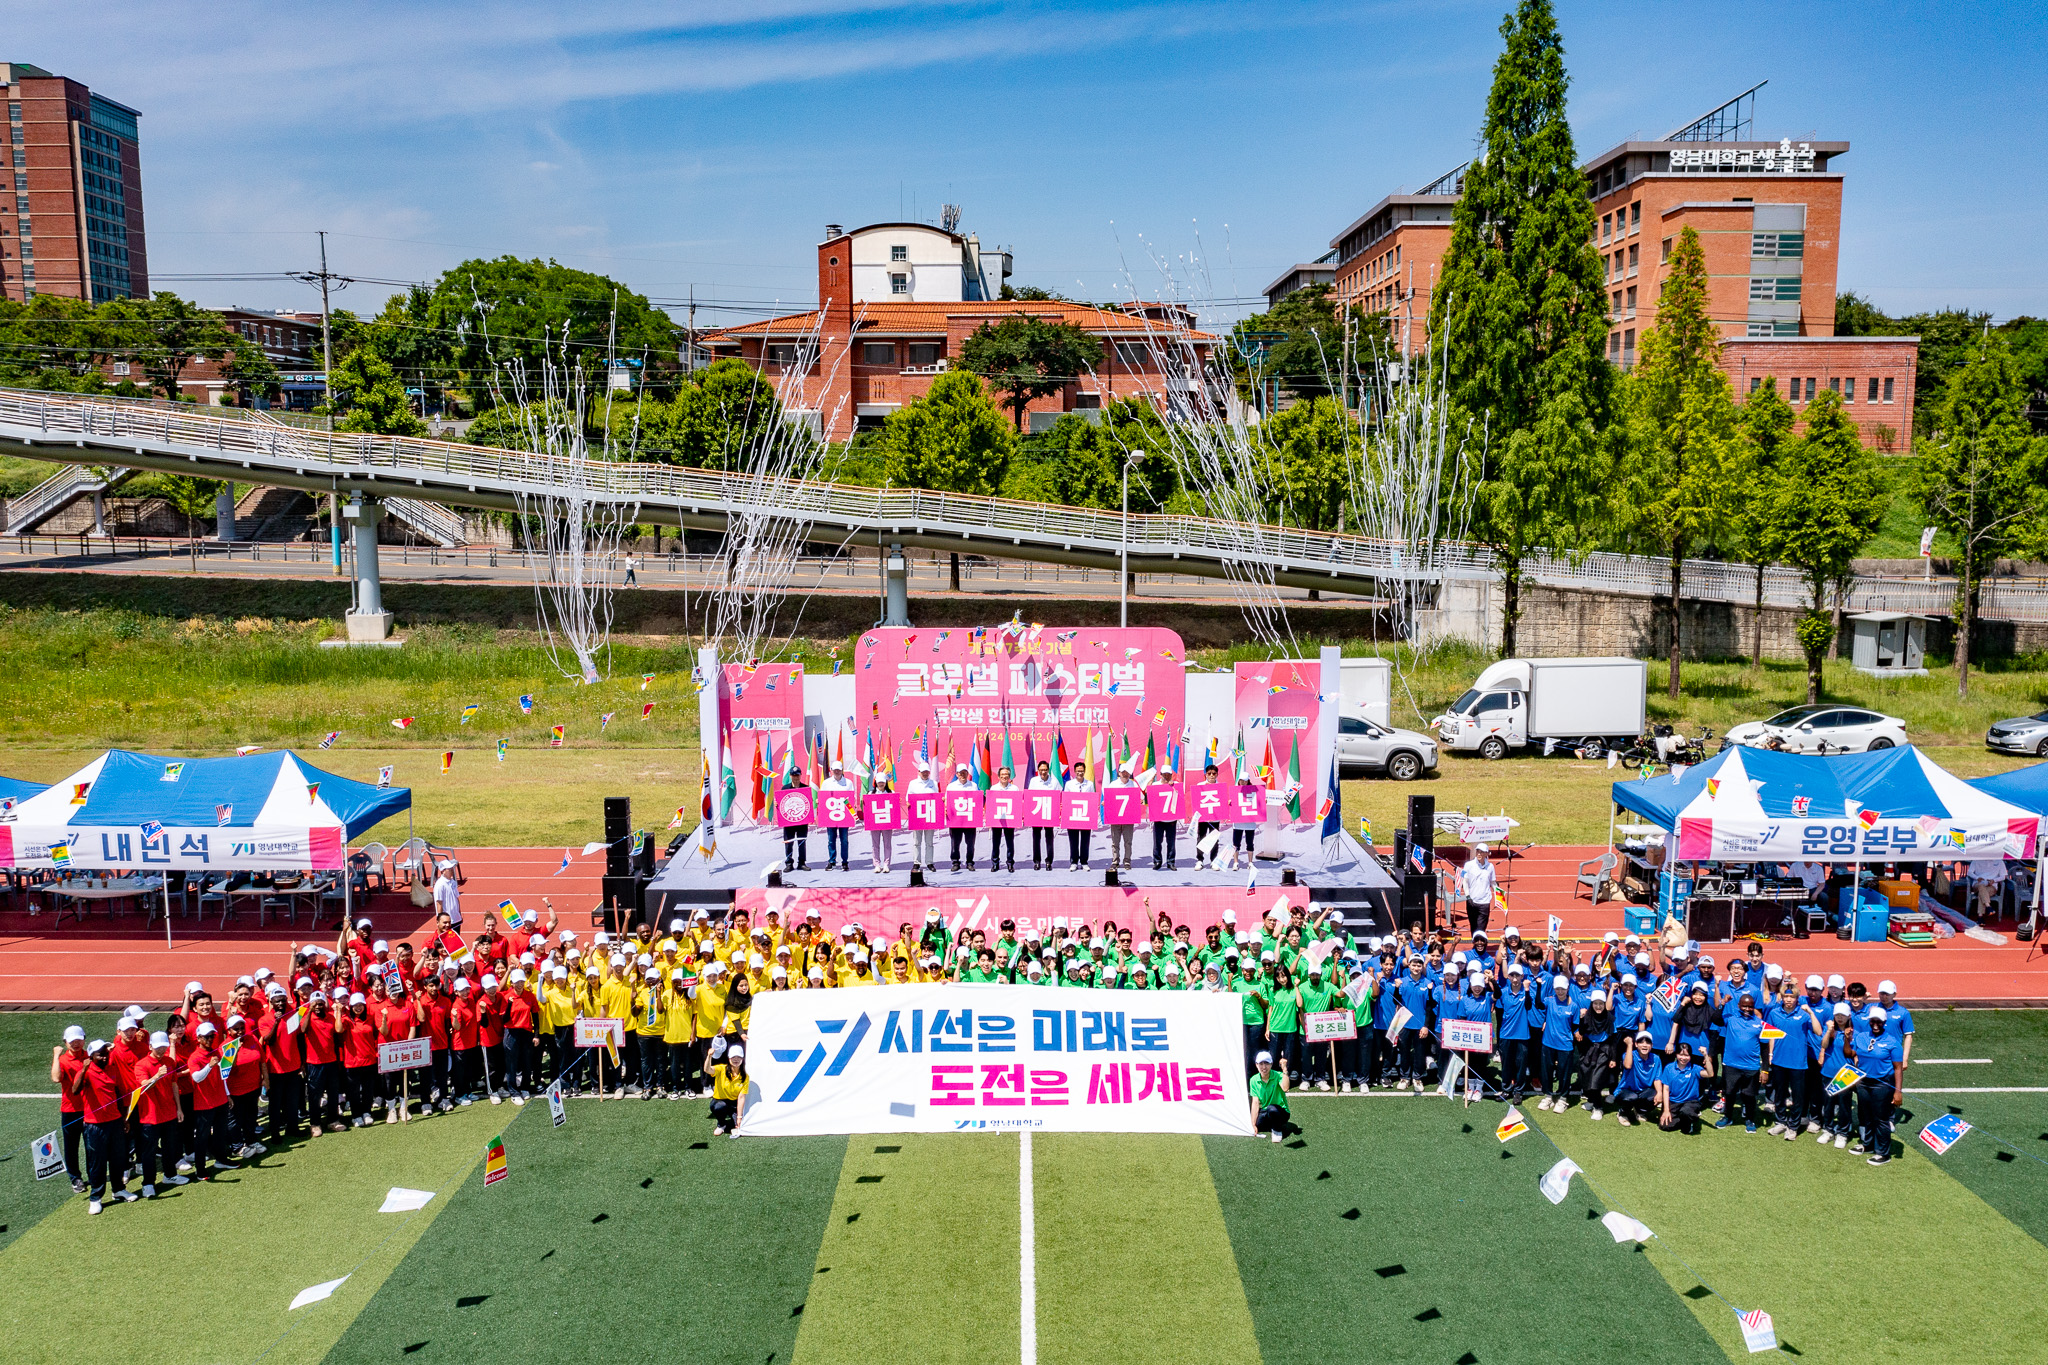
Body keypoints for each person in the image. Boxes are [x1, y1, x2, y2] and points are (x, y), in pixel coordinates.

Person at [1848, 1006, 1903, 1165]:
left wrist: (1898, 1092)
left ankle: (1883, 1153)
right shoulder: (1862, 1037)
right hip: (1864, 1083)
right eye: (1873, 1021)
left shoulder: (1892, 1042)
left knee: (1881, 1119)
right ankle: (1868, 1145)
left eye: (1879, 1021)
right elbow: (1853, 1055)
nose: (1875, 1024)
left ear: (1884, 1022)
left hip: (1882, 1085)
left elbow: (1898, 1068)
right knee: (1866, 1116)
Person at [50, 1025, 89, 1192]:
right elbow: (56, 1078)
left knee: (91, 1145)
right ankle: (75, 1179)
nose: (76, 1043)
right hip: (70, 1110)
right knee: (71, 1147)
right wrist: (56, 1056)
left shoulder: (88, 1055)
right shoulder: (63, 1060)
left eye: (79, 1039)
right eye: (72, 1041)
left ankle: (93, 1175)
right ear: (65, 1042)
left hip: (89, 1109)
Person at [1612, 1032, 1661, 1126]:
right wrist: (1629, 1045)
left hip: (1643, 1091)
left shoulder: (1656, 1059)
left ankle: (1638, 1111)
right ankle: (1622, 1113)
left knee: (1654, 1096)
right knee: (1631, 1097)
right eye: (1641, 1042)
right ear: (1636, 1044)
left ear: (1652, 1045)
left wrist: (1660, 1093)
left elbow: (1657, 1078)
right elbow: (1627, 1065)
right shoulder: (1629, 1054)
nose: (1644, 1045)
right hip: (1625, 1091)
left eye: (1648, 1043)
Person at [1657, 1041, 1706, 1134]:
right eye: (1681, 1055)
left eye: (1687, 1055)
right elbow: (1666, 1090)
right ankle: (1684, 1118)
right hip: (1674, 1101)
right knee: (1664, 1126)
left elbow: (1710, 1074)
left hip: (1690, 1101)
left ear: (1690, 1057)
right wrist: (1666, 1111)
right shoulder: (1669, 1068)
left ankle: (1689, 1119)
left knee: (1686, 1112)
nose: (1683, 1058)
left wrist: (1706, 1056)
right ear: (1676, 1055)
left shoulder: (1695, 1068)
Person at [1249, 1050, 1295, 1142]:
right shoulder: (1253, 1080)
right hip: (1265, 1111)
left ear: (1271, 1064)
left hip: (1280, 1112)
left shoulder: (1278, 1075)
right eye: (1261, 1064)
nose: (1264, 1067)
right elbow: (1255, 1102)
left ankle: (1277, 1130)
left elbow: (1285, 1088)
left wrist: (1284, 1069)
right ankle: (1272, 1124)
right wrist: (1253, 1123)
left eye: (1267, 1063)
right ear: (1256, 1065)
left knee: (1272, 1109)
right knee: (1258, 1124)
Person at [820, 761, 856, 871]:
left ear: (842, 770)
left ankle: (845, 861)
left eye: (839, 770)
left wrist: (852, 815)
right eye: (835, 770)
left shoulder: (848, 783)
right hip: (830, 816)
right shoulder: (826, 783)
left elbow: (851, 800)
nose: (837, 771)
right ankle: (832, 861)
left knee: (844, 840)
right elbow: (822, 799)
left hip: (843, 816)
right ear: (831, 770)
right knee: (831, 840)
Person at [1105, 761, 1140, 871]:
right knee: (1115, 841)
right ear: (1119, 773)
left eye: (1127, 772)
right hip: (1115, 818)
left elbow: (1140, 799)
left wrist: (1140, 799)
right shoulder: (1113, 785)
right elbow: (1108, 800)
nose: (1125, 774)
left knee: (1128, 841)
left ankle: (1127, 861)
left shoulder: (1134, 785)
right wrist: (1105, 802)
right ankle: (1115, 861)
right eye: (1123, 772)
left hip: (1128, 818)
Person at [1027, 760, 1060, 871]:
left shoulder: (1054, 782)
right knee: (1036, 838)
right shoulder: (1033, 781)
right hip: (1037, 813)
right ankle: (1037, 861)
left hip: (1049, 813)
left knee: (1049, 837)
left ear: (1048, 770)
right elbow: (1030, 796)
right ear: (1038, 770)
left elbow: (1058, 795)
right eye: (1041, 770)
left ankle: (1049, 861)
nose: (1043, 772)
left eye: (1045, 770)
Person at [946, 762, 979, 872]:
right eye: (960, 773)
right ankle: (955, 862)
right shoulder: (951, 786)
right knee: (955, 842)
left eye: (965, 772)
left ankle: (969, 862)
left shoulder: (973, 786)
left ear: (967, 773)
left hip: (969, 819)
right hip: (956, 820)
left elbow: (977, 801)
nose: (963, 775)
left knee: (970, 843)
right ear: (957, 774)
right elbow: (947, 801)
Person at [908, 761, 940, 873]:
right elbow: (909, 798)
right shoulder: (913, 783)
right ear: (919, 772)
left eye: (927, 772)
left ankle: (929, 862)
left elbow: (937, 798)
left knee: (929, 841)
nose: (925, 774)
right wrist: (908, 803)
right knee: (917, 841)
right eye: (923, 772)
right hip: (917, 816)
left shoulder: (934, 783)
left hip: (929, 815)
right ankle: (916, 862)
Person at [710, 1045, 748, 1137]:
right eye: (733, 1057)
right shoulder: (721, 1069)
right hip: (721, 1100)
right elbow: (707, 1069)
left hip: (734, 1103)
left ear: (742, 1059)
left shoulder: (745, 1076)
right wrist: (709, 1056)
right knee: (718, 1107)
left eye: (739, 1057)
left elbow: (741, 1097)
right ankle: (721, 1125)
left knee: (739, 1125)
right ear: (729, 1058)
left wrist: (739, 1117)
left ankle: (733, 1117)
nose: (736, 1060)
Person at [1461, 844, 1498, 936]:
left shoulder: (1490, 867)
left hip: (1484, 902)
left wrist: (1498, 893)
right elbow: (1464, 882)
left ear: (1486, 854)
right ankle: (1475, 947)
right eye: (1478, 851)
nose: (1479, 854)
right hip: (1472, 901)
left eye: (1481, 852)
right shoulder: (1468, 865)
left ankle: (1480, 946)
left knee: (1481, 929)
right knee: (1473, 927)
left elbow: (1493, 882)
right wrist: (1468, 896)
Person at [1148, 762, 1179, 872]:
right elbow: (1148, 795)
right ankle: (1157, 861)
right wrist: (1150, 782)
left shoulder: (1175, 785)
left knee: (1171, 842)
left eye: (1168, 774)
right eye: (1164, 774)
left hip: (1171, 819)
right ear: (1160, 774)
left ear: (1171, 775)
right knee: (1157, 841)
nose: (1166, 776)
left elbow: (1180, 798)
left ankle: (1171, 862)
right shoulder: (1155, 785)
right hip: (1159, 819)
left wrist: (1173, 786)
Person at [1066, 761, 1096, 871]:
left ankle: (1084, 861)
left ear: (1085, 771)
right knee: (1073, 840)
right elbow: (1066, 800)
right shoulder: (1069, 784)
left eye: (1082, 771)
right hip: (1073, 815)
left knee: (1085, 840)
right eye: (1078, 771)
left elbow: (1092, 798)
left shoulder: (1090, 784)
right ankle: (1074, 861)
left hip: (1085, 816)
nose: (1080, 773)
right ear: (1074, 772)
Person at [781, 766, 812, 872]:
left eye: (797, 775)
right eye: (793, 775)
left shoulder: (805, 788)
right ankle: (789, 863)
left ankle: (802, 863)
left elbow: (808, 803)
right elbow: (781, 805)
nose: (795, 777)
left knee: (802, 842)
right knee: (788, 842)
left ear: (800, 775)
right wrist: (777, 804)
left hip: (802, 821)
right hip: (789, 821)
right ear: (790, 776)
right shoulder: (785, 788)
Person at [989, 766, 1019, 874]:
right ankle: (995, 863)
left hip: (1009, 819)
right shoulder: (993, 788)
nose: (1004, 776)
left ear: (1009, 776)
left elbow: (1017, 804)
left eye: (1006, 774)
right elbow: (990, 805)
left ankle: (1010, 863)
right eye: (1002, 774)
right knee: (996, 842)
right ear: (998, 776)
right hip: (997, 819)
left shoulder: (1014, 788)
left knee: (1010, 842)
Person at [1193, 762, 1223, 870]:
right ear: (1206, 774)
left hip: (1215, 817)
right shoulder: (1200, 786)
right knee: (1201, 838)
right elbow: (1195, 801)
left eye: (1214, 773)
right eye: (1209, 773)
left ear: (1217, 775)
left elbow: (1222, 802)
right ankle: (1199, 860)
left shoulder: (1220, 787)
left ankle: (1213, 860)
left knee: (1214, 838)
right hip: (1203, 817)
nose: (1211, 775)